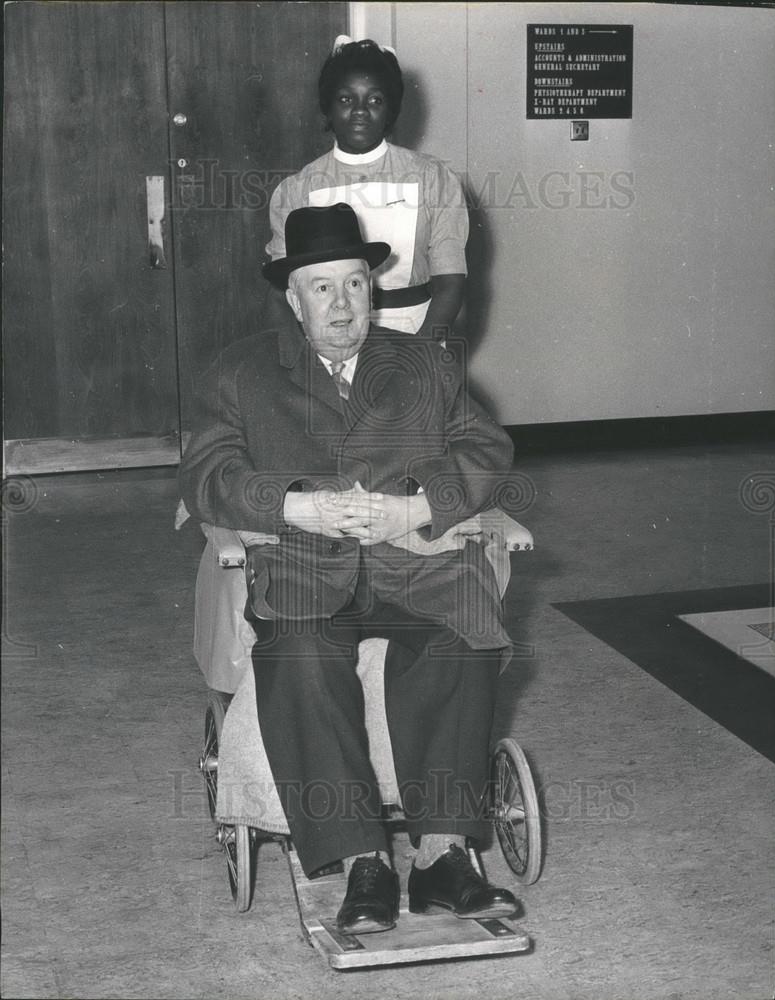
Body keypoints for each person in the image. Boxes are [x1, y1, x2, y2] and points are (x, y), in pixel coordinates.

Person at [179, 203, 517, 935]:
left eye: (356, 285)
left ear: (374, 289)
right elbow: (206, 474)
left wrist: (418, 509)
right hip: (306, 571)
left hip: (412, 566)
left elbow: (487, 454)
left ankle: (440, 856)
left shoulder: (422, 363)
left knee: (467, 631)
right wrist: (291, 504)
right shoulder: (241, 371)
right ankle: (362, 859)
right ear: (292, 297)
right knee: (300, 653)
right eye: (321, 287)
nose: (341, 305)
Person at [264, 36, 468, 339]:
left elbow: (450, 283)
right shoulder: (296, 189)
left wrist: (421, 353)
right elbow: (282, 291)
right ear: (328, 106)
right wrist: (304, 354)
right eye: (346, 99)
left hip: (416, 331)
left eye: (375, 100)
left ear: (391, 109)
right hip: (327, 337)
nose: (360, 111)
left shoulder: (432, 178)